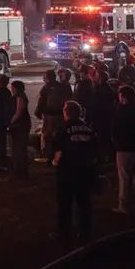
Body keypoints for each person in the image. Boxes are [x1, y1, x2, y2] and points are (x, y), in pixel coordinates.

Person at [52, 100, 98, 244]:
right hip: (85, 171)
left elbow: (57, 150)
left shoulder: (63, 128)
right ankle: (85, 233)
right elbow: (94, 149)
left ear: (66, 113)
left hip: (67, 172)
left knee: (65, 204)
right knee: (84, 203)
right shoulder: (87, 128)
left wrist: (54, 163)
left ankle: (64, 233)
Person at [112, 85, 135, 214]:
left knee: (124, 179)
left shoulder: (119, 112)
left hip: (124, 149)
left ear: (123, 97)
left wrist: (116, 144)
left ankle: (124, 205)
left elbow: (114, 131)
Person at [37, 70, 64, 161]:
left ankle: (47, 154)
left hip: (49, 115)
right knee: (57, 134)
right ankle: (58, 154)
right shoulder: (61, 86)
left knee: (46, 135)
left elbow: (41, 101)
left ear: (47, 77)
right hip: (60, 115)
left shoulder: (46, 87)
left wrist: (38, 112)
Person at [91, 69, 118, 162]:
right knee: (106, 137)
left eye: (97, 76)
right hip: (107, 116)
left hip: (102, 117)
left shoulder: (101, 90)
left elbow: (96, 103)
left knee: (103, 137)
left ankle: (106, 156)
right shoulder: (109, 89)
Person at [8, 80, 32, 178]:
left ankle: (21, 171)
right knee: (18, 148)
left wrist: (10, 122)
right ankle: (19, 169)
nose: (11, 89)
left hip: (21, 125)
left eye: (12, 87)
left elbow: (19, 112)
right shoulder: (20, 96)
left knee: (19, 148)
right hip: (22, 124)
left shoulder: (20, 97)